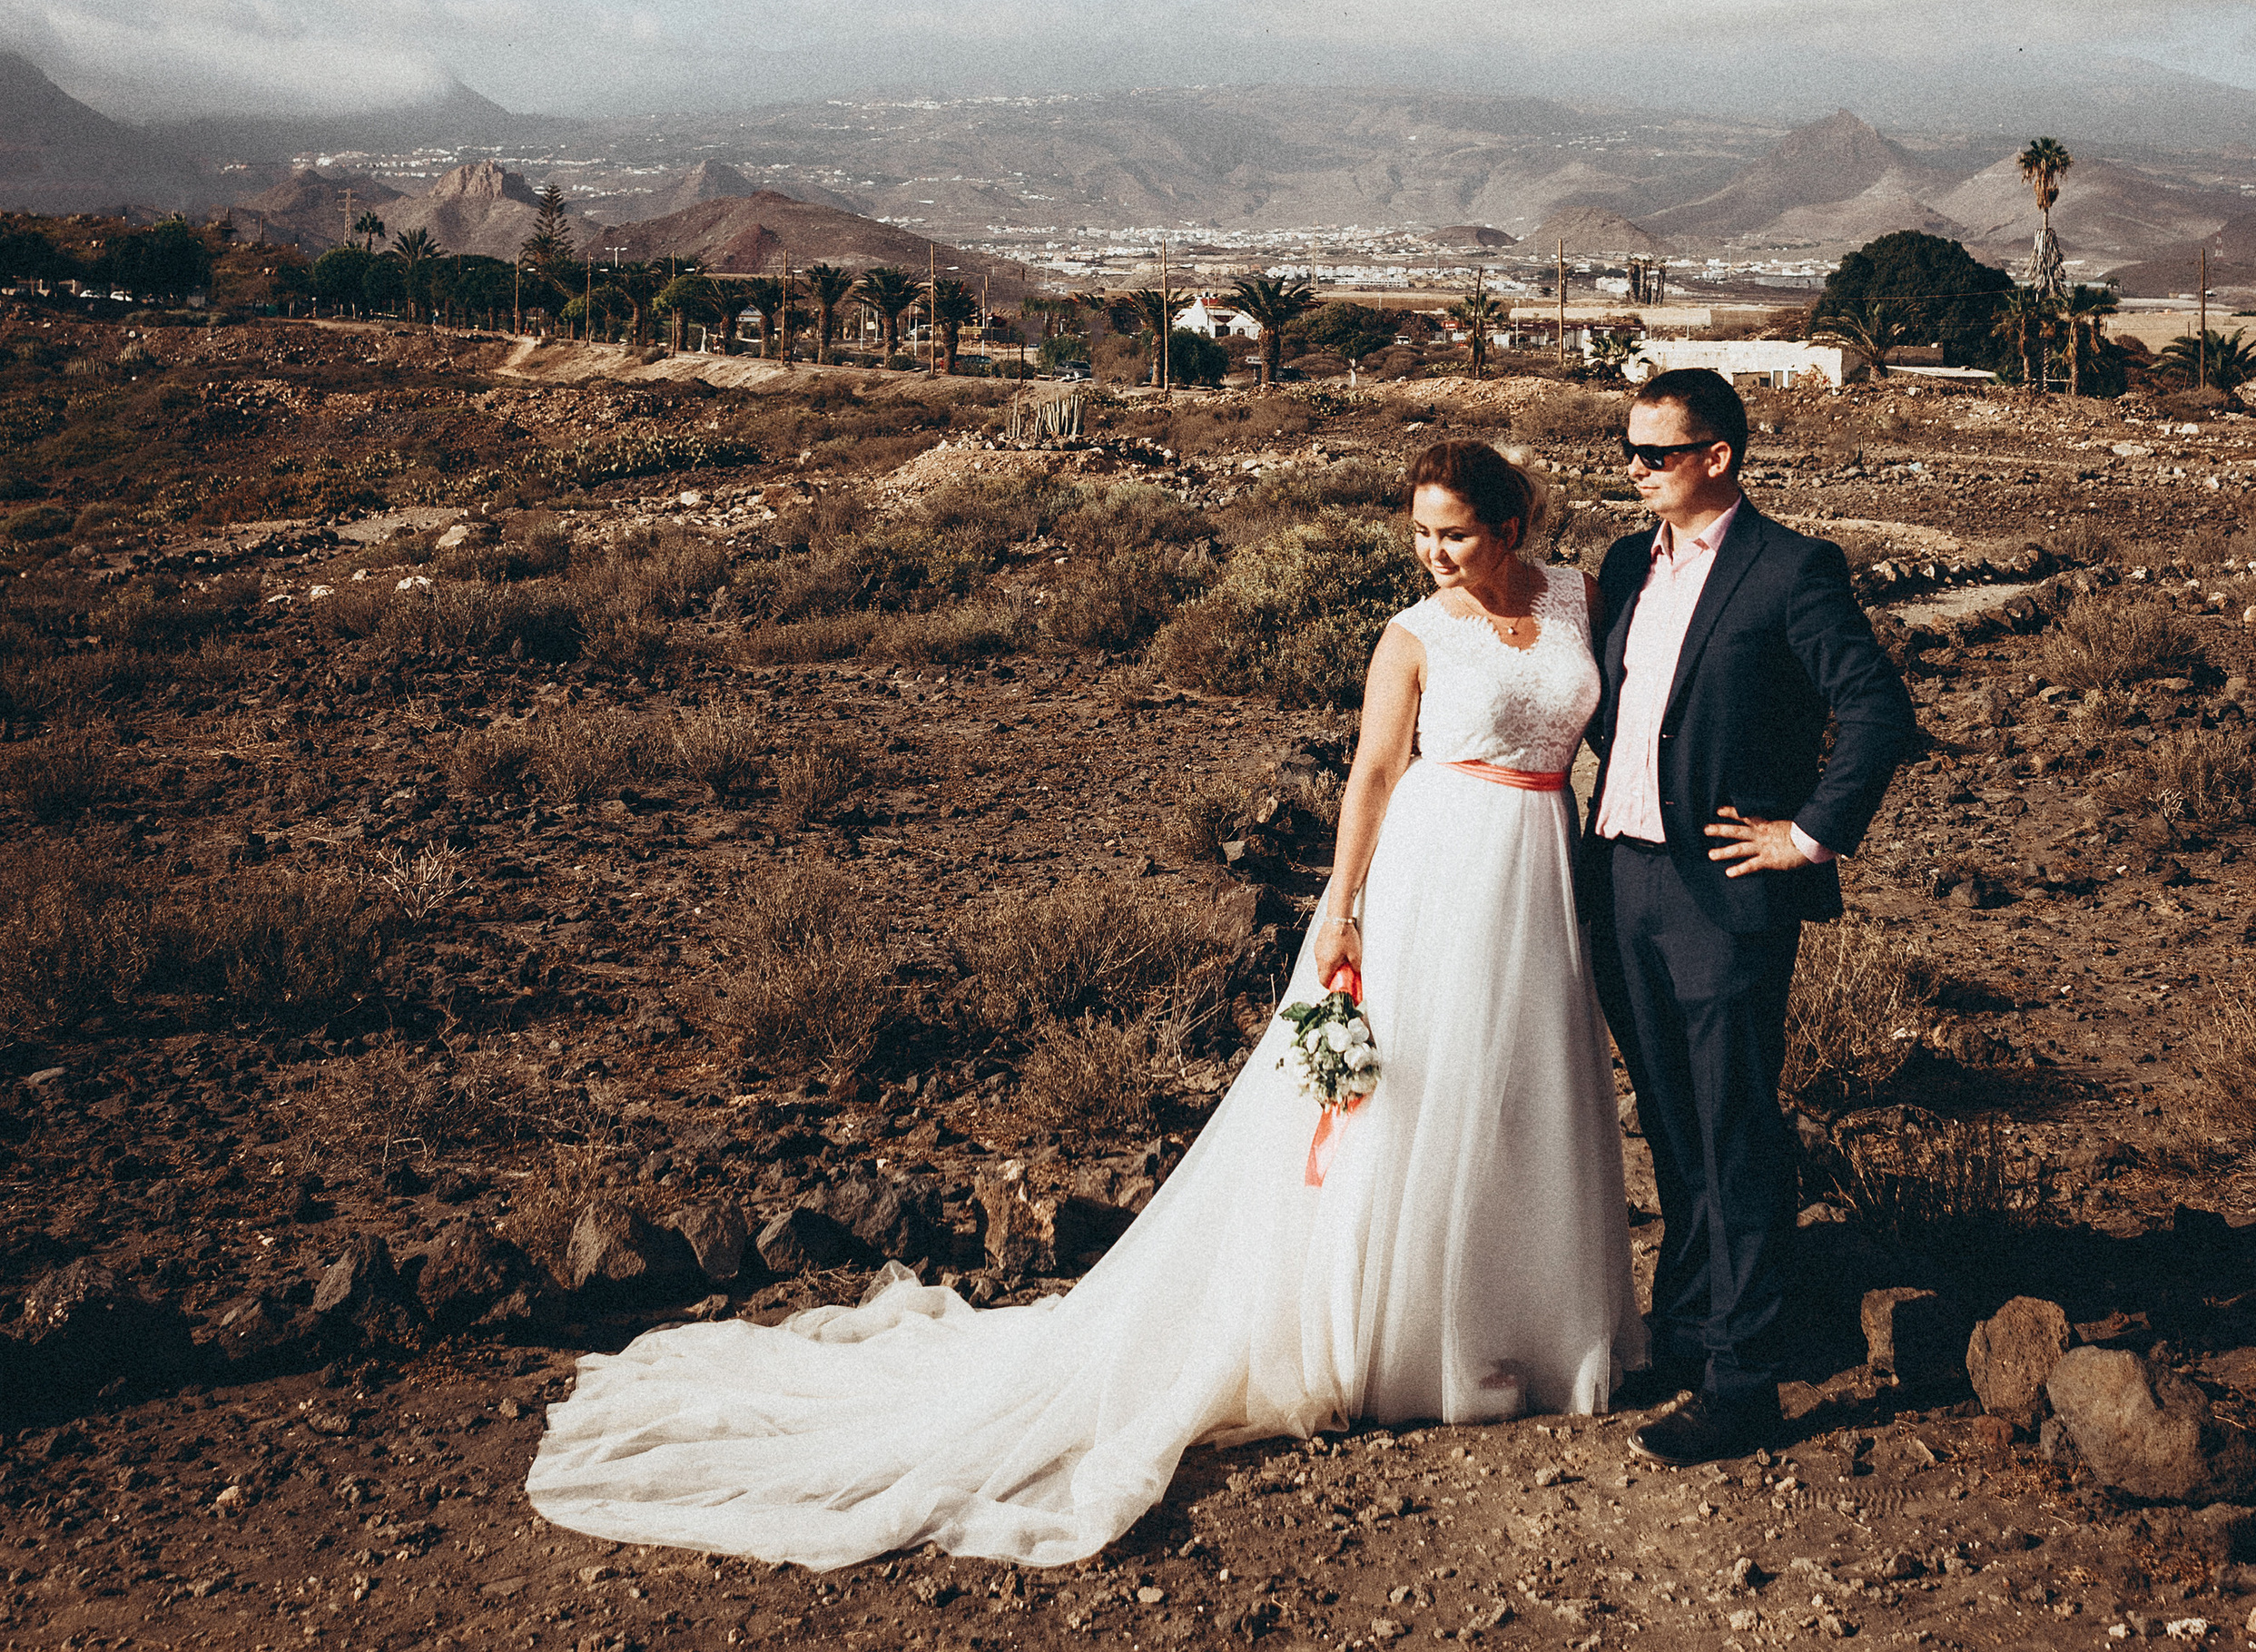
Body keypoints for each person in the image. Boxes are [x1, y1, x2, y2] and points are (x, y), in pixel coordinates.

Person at [527, 439, 1641, 1571]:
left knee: (1523, 1089)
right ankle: (1405, 1344)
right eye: (1417, 532)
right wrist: (1342, 909)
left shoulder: (1577, 597)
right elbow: (1370, 773)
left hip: (1540, 860)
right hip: (1436, 872)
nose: (1432, 552)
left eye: (1452, 531)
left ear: (1510, 524)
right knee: (1419, 1091)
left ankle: (1519, 1326)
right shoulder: (1410, 635)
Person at [1582, 366, 1917, 1469]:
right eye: (1627, 451)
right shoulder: (1629, 563)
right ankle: (1685, 1332)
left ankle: (1745, 1382)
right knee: (1672, 1125)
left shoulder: (1790, 570)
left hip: (1721, 894)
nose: (1631, 471)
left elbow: (1874, 707)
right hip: (1622, 879)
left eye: (1653, 455)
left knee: (1735, 1130)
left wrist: (1807, 832)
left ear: (1715, 457)